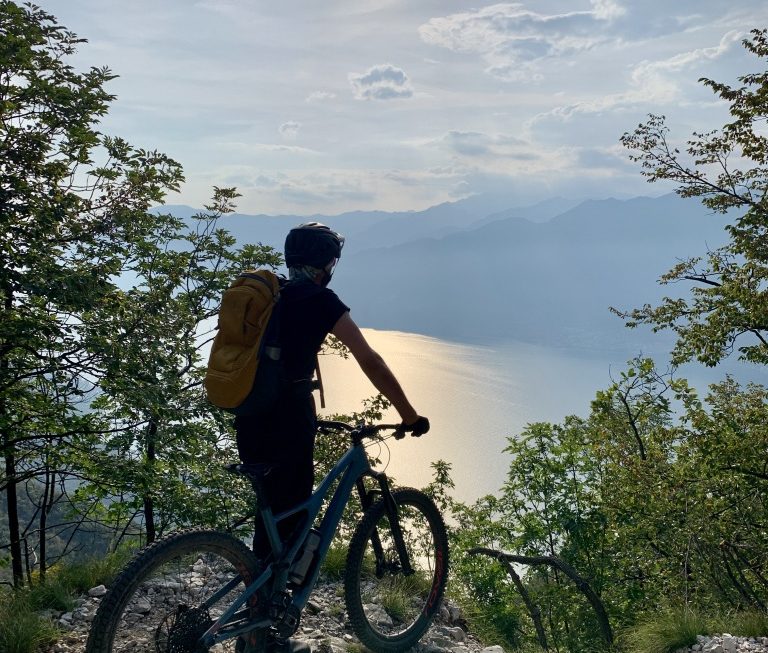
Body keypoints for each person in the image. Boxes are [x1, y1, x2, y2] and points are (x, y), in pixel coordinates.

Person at [233, 222, 429, 653]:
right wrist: (409, 414)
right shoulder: (321, 300)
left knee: (273, 521)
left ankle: (255, 627)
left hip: (249, 417)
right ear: (327, 265)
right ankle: (264, 639)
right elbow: (370, 359)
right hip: (288, 421)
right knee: (294, 523)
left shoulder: (272, 294)